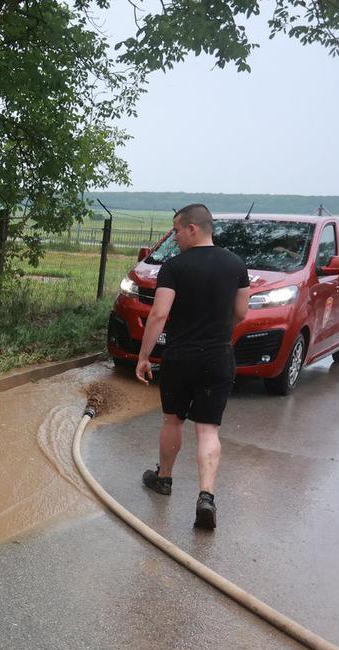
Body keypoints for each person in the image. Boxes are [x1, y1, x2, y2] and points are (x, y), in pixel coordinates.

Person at [135, 203, 250, 530]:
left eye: (176, 230)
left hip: (181, 357)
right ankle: (206, 497)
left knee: (174, 419)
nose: (174, 236)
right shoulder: (236, 265)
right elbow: (241, 312)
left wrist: (144, 357)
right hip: (218, 356)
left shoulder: (174, 267)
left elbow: (158, 315)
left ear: (193, 229)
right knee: (208, 429)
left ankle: (164, 479)